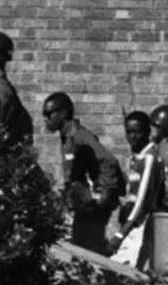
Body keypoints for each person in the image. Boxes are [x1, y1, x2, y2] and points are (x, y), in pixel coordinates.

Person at [43, 92, 124, 255]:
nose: (45, 119)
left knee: (90, 252)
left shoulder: (80, 135)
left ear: (63, 113)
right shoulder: (68, 137)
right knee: (81, 250)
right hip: (82, 205)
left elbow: (109, 160)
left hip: (93, 207)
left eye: (49, 114)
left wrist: (102, 194)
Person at [109, 111, 158, 268]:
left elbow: (141, 201)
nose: (132, 137)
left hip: (141, 226)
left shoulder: (149, 158)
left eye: (137, 132)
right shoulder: (135, 158)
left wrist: (121, 234)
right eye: (128, 132)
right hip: (131, 224)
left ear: (147, 132)